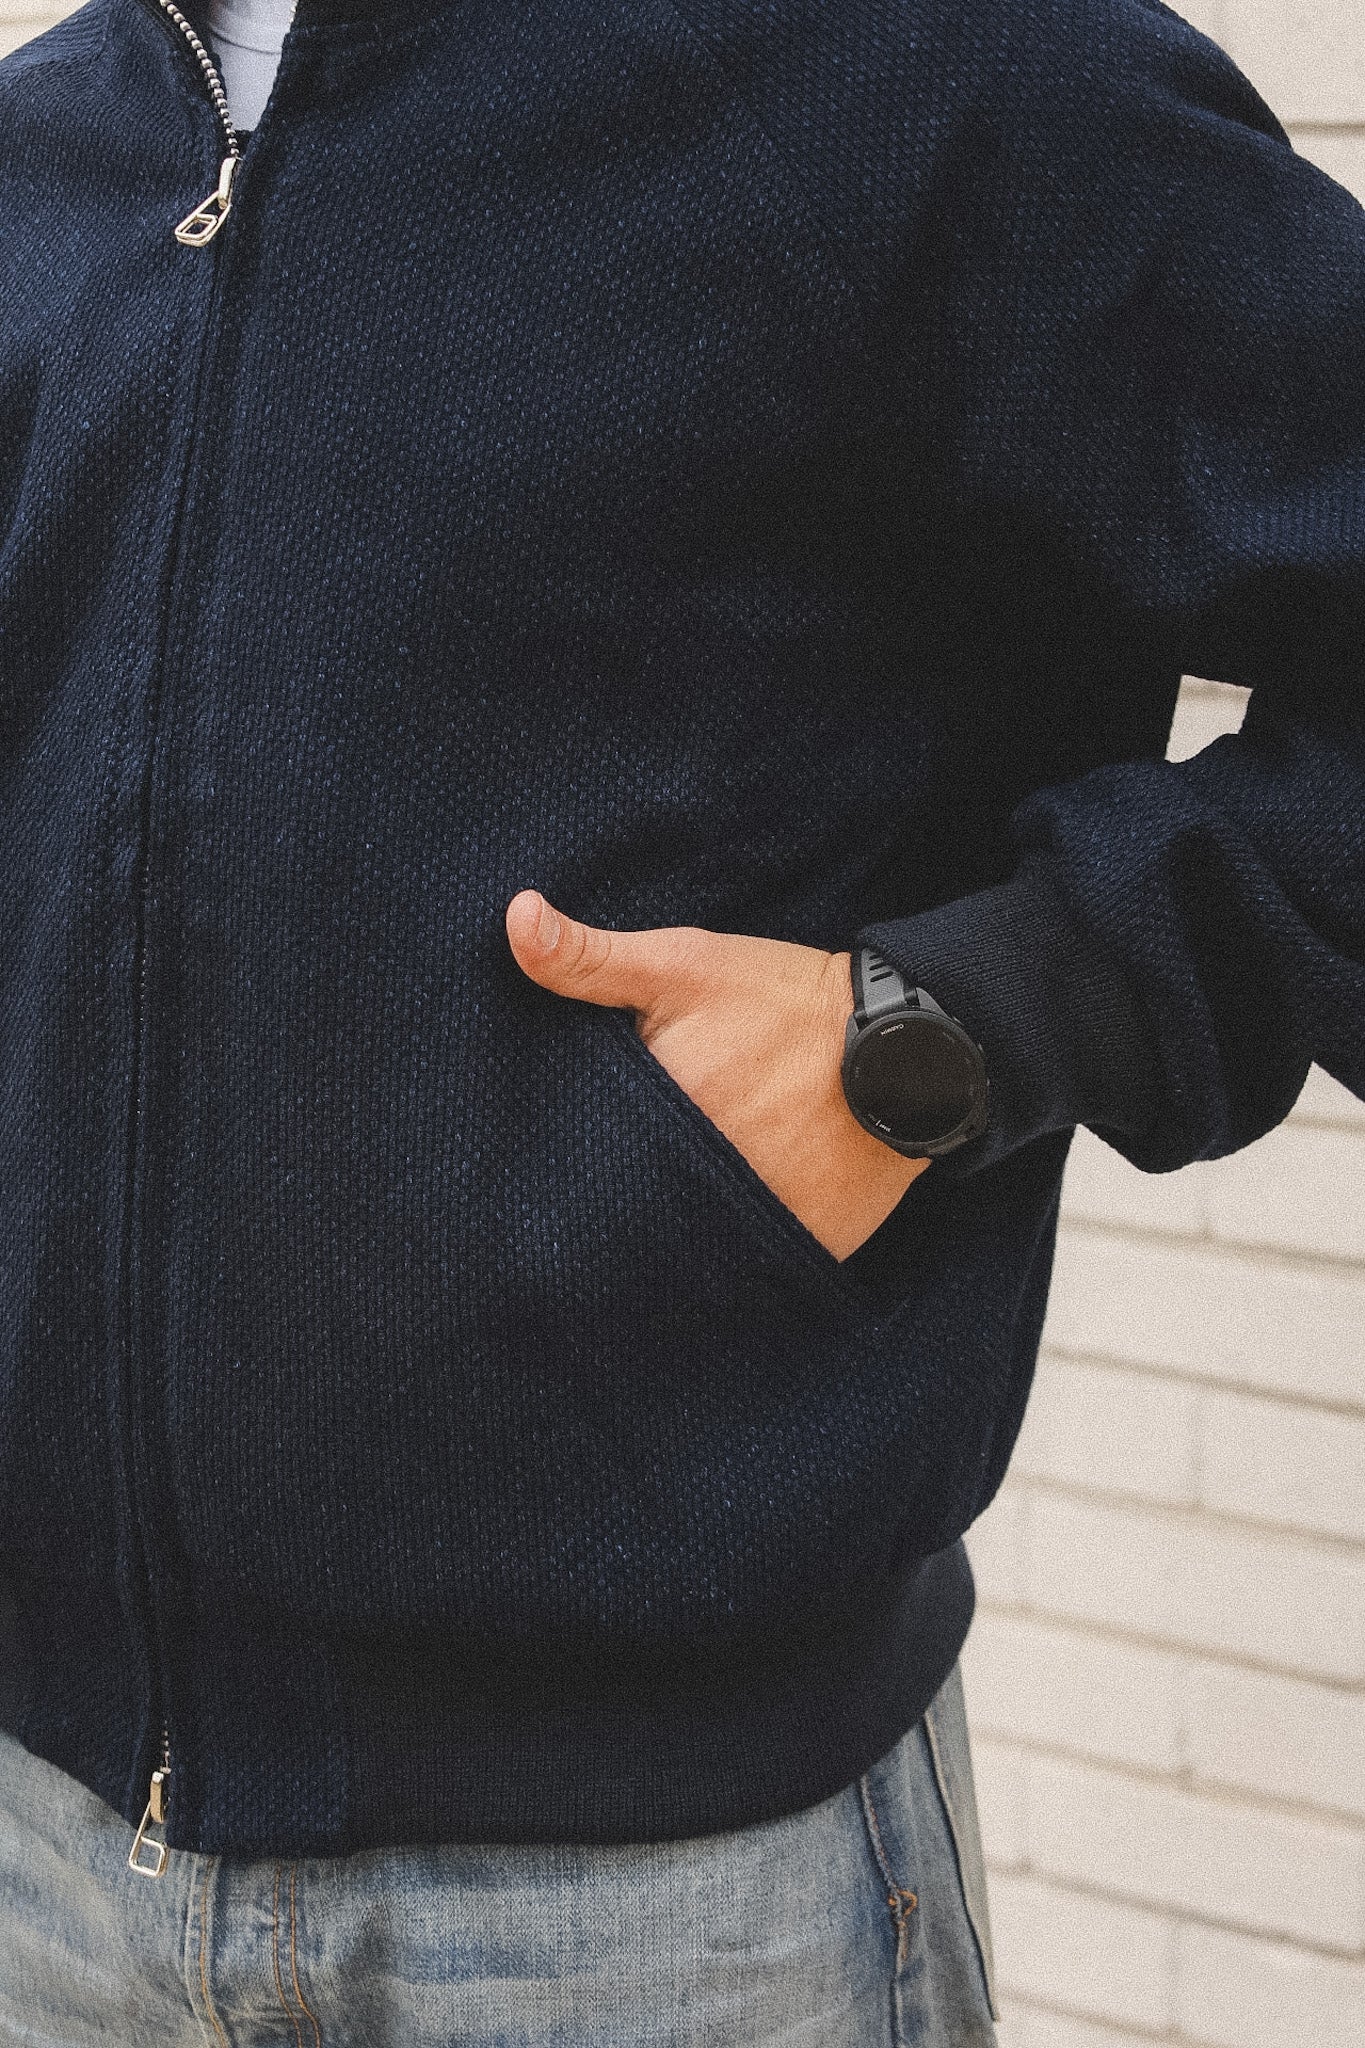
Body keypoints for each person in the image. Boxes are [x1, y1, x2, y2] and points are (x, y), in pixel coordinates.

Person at [0, 0, 1361, 2037]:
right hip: (40, 1846)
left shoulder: (924, 77)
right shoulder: (48, 142)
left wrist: (969, 1019)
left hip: (655, 1901)